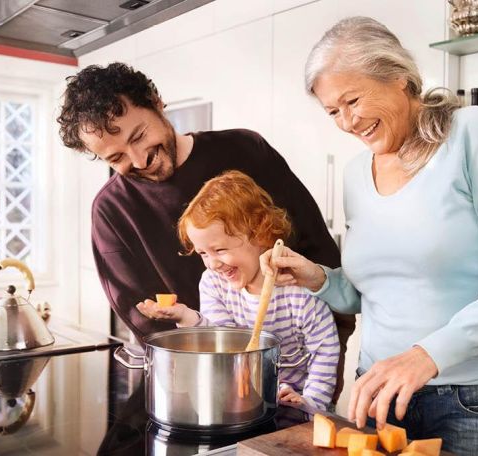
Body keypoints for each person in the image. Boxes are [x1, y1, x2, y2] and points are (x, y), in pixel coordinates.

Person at [260, 17, 478, 456]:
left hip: (476, 401)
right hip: (381, 394)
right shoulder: (356, 174)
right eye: (332, 111)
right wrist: (319, 278)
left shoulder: (471, 133)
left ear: (399, 77)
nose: (346, 121)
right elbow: (373, 294)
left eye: (352, 100)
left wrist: (424, 356)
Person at [56, 62, 354, 404]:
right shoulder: (110, 212)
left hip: (300, 385)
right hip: (203, 393)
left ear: (156, 101)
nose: (138, 160)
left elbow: (322, 262)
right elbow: (150, 327)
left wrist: (318, 390)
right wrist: (206, 393)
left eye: (138, 136)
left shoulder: (246, 150)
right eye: (116, 157)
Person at [137, 170, 340, 410]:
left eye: (220, 250)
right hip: (240, 403)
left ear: (260, 235)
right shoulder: (214, 283)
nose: (212, 264)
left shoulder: (297, 287)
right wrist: (186, 317)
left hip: (296, 406)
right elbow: (222, 342)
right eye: (203, 253)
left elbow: (325, 347)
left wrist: (311, 402)